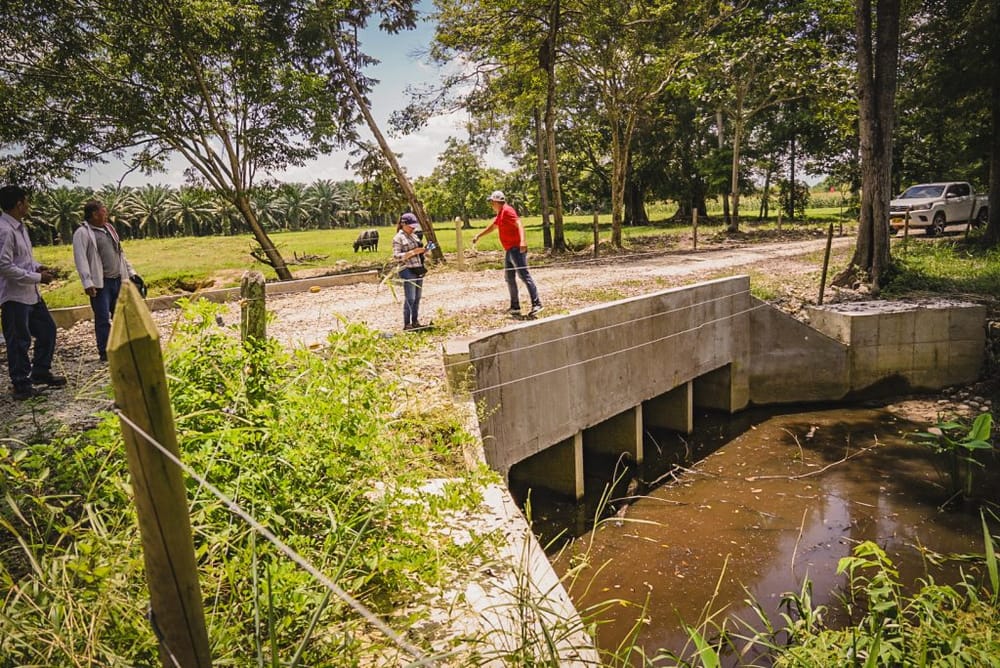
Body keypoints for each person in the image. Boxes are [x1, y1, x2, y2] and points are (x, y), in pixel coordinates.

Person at [0, 185, 66, 400]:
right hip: (15, 296)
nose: (28, 205)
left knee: (47, 330)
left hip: (31, 294)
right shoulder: (5, 230)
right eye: (26, 201)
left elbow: (23, 259)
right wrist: (38, 278)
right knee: (19, 341)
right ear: (19, 204)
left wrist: (37, 267)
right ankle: (21, 385)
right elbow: (4, 266)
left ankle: (40, 371)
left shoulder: (20, 228)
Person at [72, 200, 142, 362]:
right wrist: (87, 283)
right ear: (94, 214)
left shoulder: (109, 229)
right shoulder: (82, 233)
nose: (107, 215)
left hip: (117, 280)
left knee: (121, 316)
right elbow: (81, 259)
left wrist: (131, 273)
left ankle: (123, 346)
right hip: (101, 283)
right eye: (104, 212)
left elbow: (120, 253)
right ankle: (105, 351)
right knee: (103, 318)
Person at [473, 190, 543, 317]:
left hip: (516, 249)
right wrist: (479, 235)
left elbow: (519, 224)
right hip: (509, 250)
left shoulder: (507, 211)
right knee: (509, 278)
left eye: (491, 202)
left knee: (524, 276)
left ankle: (537, 304)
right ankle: (515, 306)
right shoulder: (501, 214)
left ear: (496, 201)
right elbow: (493, 227)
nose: (491, 205)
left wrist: (523, 241)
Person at [392, 213, 428, 331]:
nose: (413, 228)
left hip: (418, 268)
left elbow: (419, 251)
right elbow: (396, 256)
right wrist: (413, 252)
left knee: (417, 297)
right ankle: (407, 324)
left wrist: (424, 251)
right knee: (410, 298)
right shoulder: (398, 238)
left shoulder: (415, 236)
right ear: (403, 224)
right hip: (407, 269)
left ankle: (415, 321)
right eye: (411, 226)